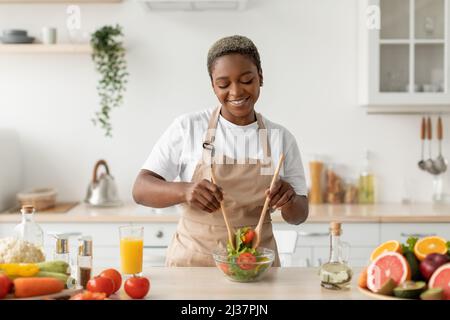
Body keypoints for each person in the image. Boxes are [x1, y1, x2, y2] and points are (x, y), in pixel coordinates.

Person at [133, 35, 308, 267]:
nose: (235, 92)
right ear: (213, 85)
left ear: (260, 77)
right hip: (192, 266)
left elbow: (299, 215)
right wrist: (185, 191)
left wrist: (290, 199)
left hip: (255, 269)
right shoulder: (188, 127)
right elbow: (140, 189)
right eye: (224, 84)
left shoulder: (280, 137)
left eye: (246, 80)